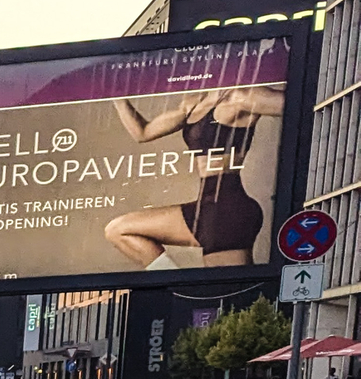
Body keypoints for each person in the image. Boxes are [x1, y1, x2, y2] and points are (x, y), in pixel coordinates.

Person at [102, 82, 286, 268]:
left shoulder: (241, 96)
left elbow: (302, 104)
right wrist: (117, 96)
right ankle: (177, 287)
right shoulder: (194, 103)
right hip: (206, 206)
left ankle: (180, 290)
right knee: (118, 230)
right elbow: (142, 133)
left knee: (229, 292)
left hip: (227, 208)